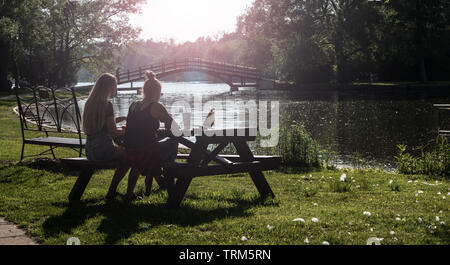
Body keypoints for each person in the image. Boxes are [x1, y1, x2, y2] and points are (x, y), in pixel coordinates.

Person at [121, 71, 179, 200]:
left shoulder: (133, 105)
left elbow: (138, 127)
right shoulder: (156, 106)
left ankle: (129, 193)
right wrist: (167, 127)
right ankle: (168, 181)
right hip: (147, 152)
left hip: (130, 152)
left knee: (137, 163)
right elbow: (173, 125)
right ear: (157, 92)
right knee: (173, 143)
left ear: (144, 91)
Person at [82, 73, 129, 199]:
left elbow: (102, 123)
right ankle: (112, 191)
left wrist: (121, 119)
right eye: (115, 87)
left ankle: (112, 191)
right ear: (109, 87)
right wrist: (127, 131)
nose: (116, 89)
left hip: (89, 150)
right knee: (128, 155)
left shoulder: (90, 103)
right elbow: (113, 133)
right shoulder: (107, 105)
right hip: (103, 151)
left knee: (124, 153)